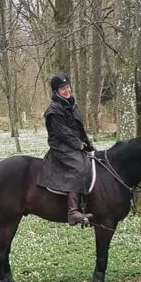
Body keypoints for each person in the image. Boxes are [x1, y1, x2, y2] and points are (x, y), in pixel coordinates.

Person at [36, 74, 95, 226]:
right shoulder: (54, 110)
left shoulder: (72, 105)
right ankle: (72, 211)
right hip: (61, 147)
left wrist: (88, 145)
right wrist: (78, 144)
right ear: (56, 91)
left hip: (74, 144)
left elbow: (79, 129)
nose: (67, 90)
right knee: (79, 167)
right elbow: (62, 132)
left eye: (68, 87)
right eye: (63, 88)